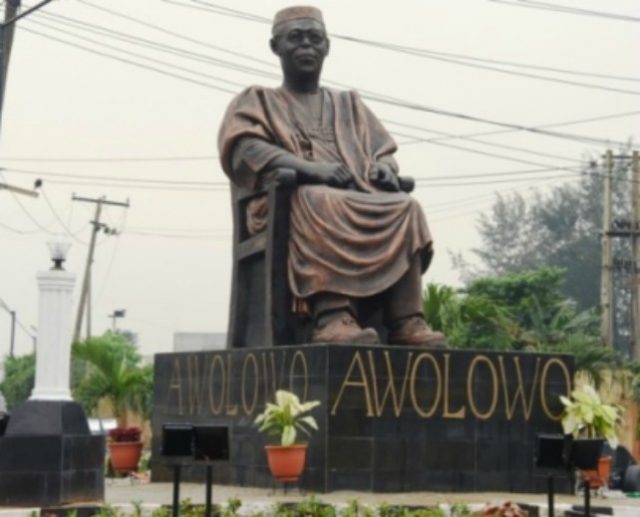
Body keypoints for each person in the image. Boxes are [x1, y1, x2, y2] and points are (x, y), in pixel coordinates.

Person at [218, 6, 445, 347]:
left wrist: (384, 167)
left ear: (327, 46)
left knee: (405, 206)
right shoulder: (258, 100)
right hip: (287, 201)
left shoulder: (349, 105)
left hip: (355, 194)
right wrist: (310, 169)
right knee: (317, 197)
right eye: (295, 38)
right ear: (275, 46)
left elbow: (382, 150)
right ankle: (331, 315)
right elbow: (246, 150)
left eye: (314, 38)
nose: (306, 46)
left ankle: (406, 320)